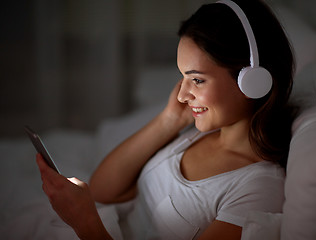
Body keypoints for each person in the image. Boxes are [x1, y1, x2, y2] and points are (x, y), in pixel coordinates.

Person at [36, 0, 295, 239]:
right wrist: (168, 120)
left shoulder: (258, 189)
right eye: (182, 77)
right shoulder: (200, 133)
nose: (182, 95)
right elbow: (103, 190)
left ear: (252, 82)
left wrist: (85, 224)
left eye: (197, 80)